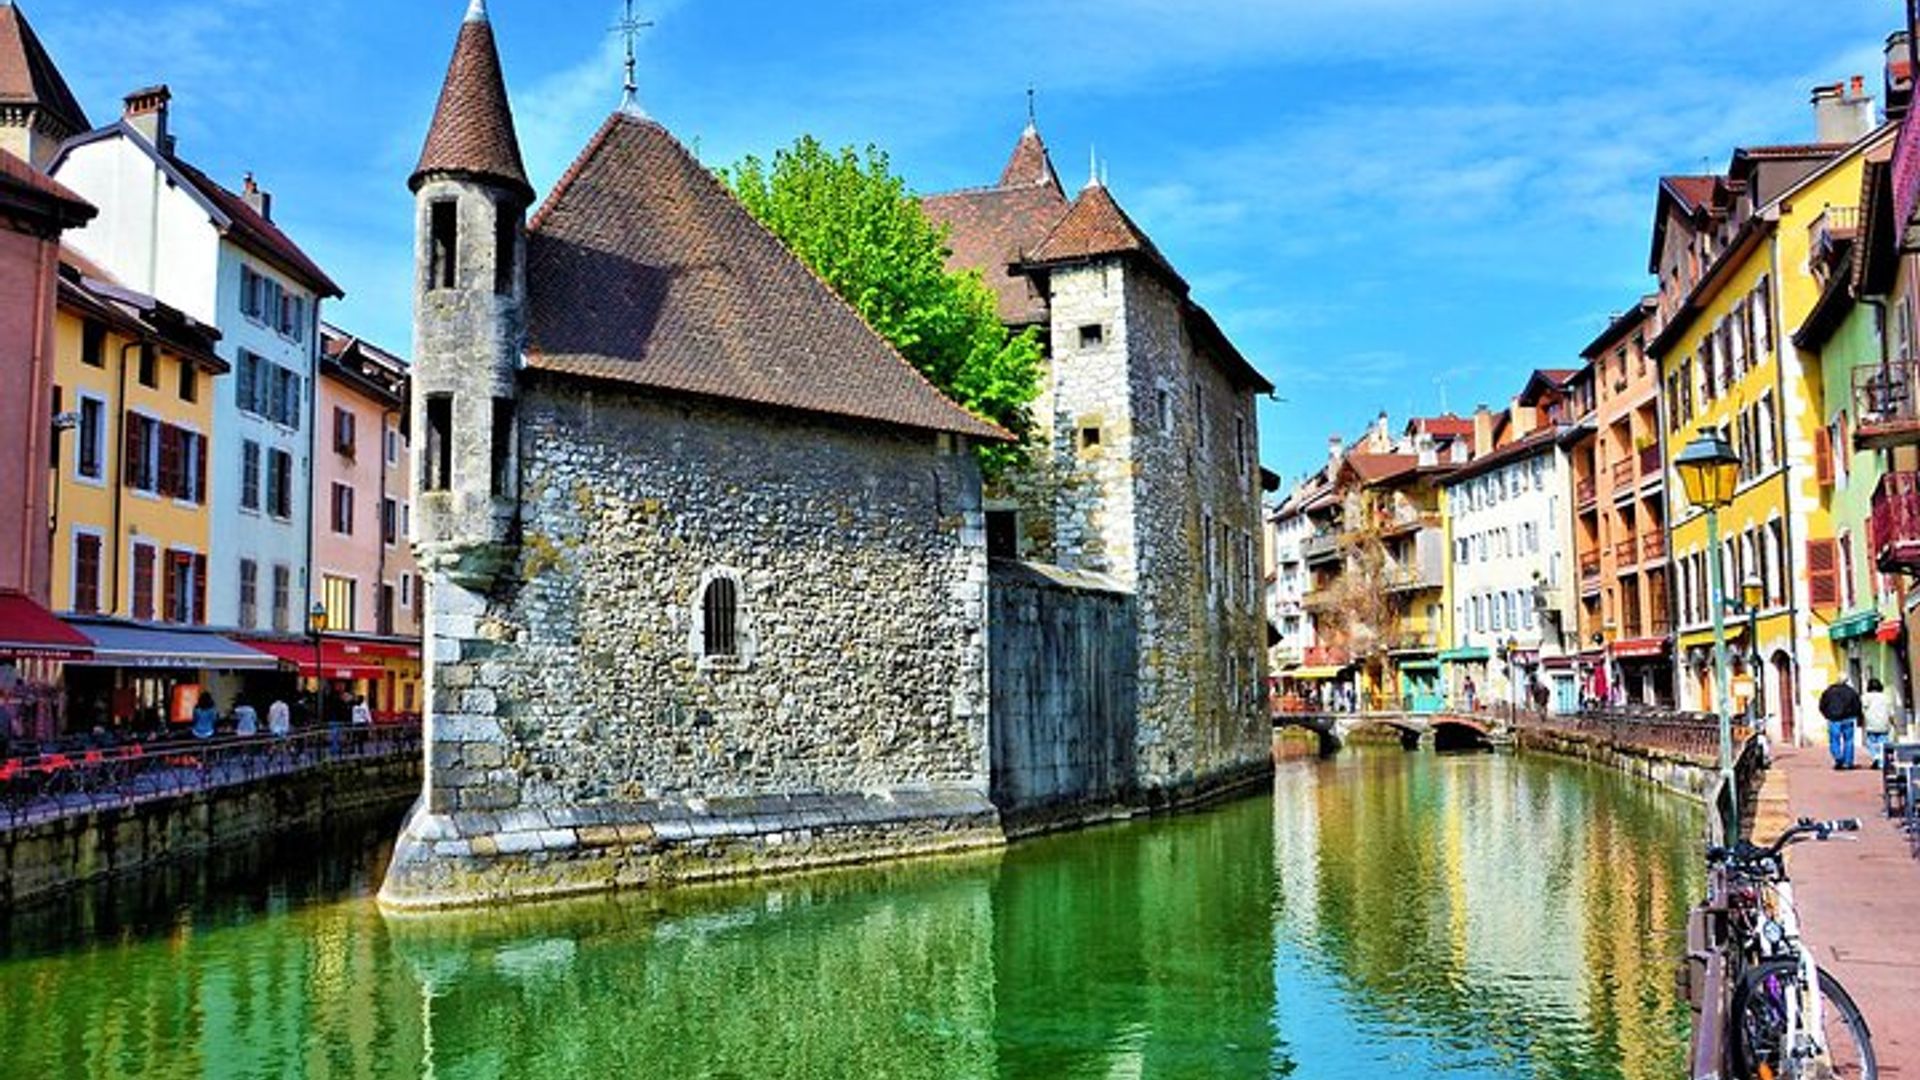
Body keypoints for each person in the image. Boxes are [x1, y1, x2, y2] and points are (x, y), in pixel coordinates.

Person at [1817, 677, 1862, 770]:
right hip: (1848, 718)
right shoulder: (1851, 691)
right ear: (1846, 681)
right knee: (1849, 740)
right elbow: (1857, 705)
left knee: (1834, 740)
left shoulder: (1829, 691)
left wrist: (1827, 715)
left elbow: (1822, 704)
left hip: (1834, 719)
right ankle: (1848, 762)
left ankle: (1838, 758)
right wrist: (1856, 715)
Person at [1861, 678, 1894, 769]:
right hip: (1883, 723)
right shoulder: (1886, 697)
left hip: (1871, 723)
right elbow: (1890, 711)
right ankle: (1881, 761)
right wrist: (1892, 721)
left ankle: (1876, 756)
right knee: (1883, 742)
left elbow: (1863, 710)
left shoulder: (1865, 697)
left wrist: (1863, 721)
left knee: (1871, 742)